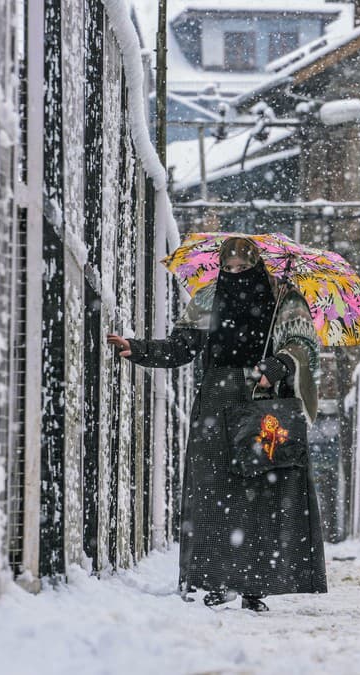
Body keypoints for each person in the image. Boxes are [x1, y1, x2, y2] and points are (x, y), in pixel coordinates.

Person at [106, 237, 327, 611]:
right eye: (229, 267)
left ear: (258, 265)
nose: (235, 273)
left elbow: (302, 345)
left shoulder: (285, 298)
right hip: (216, 400)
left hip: (262, 400)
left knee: (262, 490)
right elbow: (181, 348)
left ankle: (255, 584)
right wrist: (138, 349)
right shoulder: (208, 298)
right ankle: (216, 580)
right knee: (213, 491)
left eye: (244, 267)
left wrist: (276, 365)